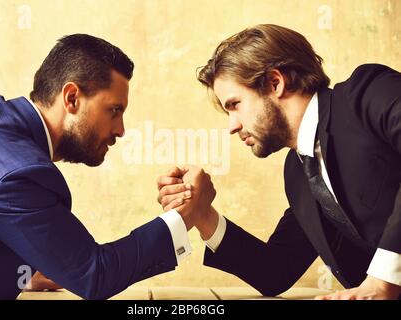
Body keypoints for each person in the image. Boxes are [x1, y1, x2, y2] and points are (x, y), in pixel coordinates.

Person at [0, 34, 215, 299]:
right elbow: (94, 274)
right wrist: (186, 214)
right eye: (114, 110)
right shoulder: (16, 176)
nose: (121, 130)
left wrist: (20, 271)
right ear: (72, 98)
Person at [157, 24, 401, 300]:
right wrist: (202, 213)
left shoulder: (369, 92)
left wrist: (383, 281)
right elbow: (275, 271)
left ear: (275, 83)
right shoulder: (299, 172)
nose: (232, 126)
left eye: (235, 104)